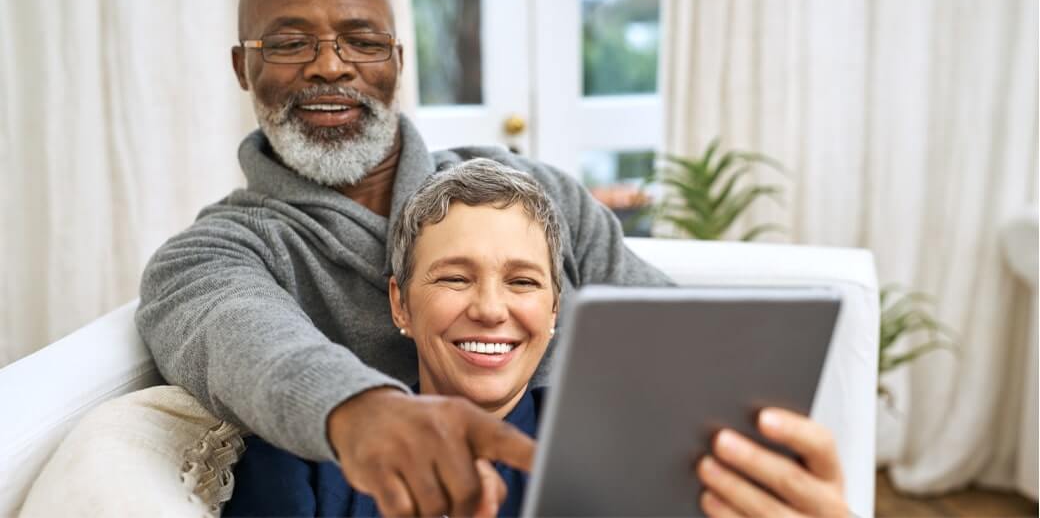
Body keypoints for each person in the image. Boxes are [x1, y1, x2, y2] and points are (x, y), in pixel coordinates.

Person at [136, 0, 846, 516]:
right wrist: (364, 411)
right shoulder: (213, 254)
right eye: (290, 42)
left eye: (363, 40)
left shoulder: (539, 194)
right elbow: (246, 337)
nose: (330, 66)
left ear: (397, 61)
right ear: (242, 66)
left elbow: (669, 345)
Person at [223, 160, 846, 517]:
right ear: (400, 304)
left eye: (522, 282)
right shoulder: (302, 461)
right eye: (455, 277)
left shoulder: (642, 447)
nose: (492, 309)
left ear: (555, 311)